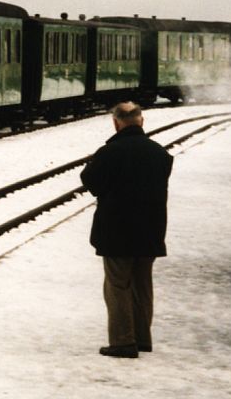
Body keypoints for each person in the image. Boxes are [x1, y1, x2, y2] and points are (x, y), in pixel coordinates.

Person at [80, 102, 174, 358]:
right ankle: (143, 338)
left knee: (118, 286)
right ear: (141, 122)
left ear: (116, 123)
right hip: (151, 229)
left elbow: (91, 182)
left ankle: (123, 341)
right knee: (143, 284)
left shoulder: (109, 152)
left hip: (117, 230)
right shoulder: (159, 154)